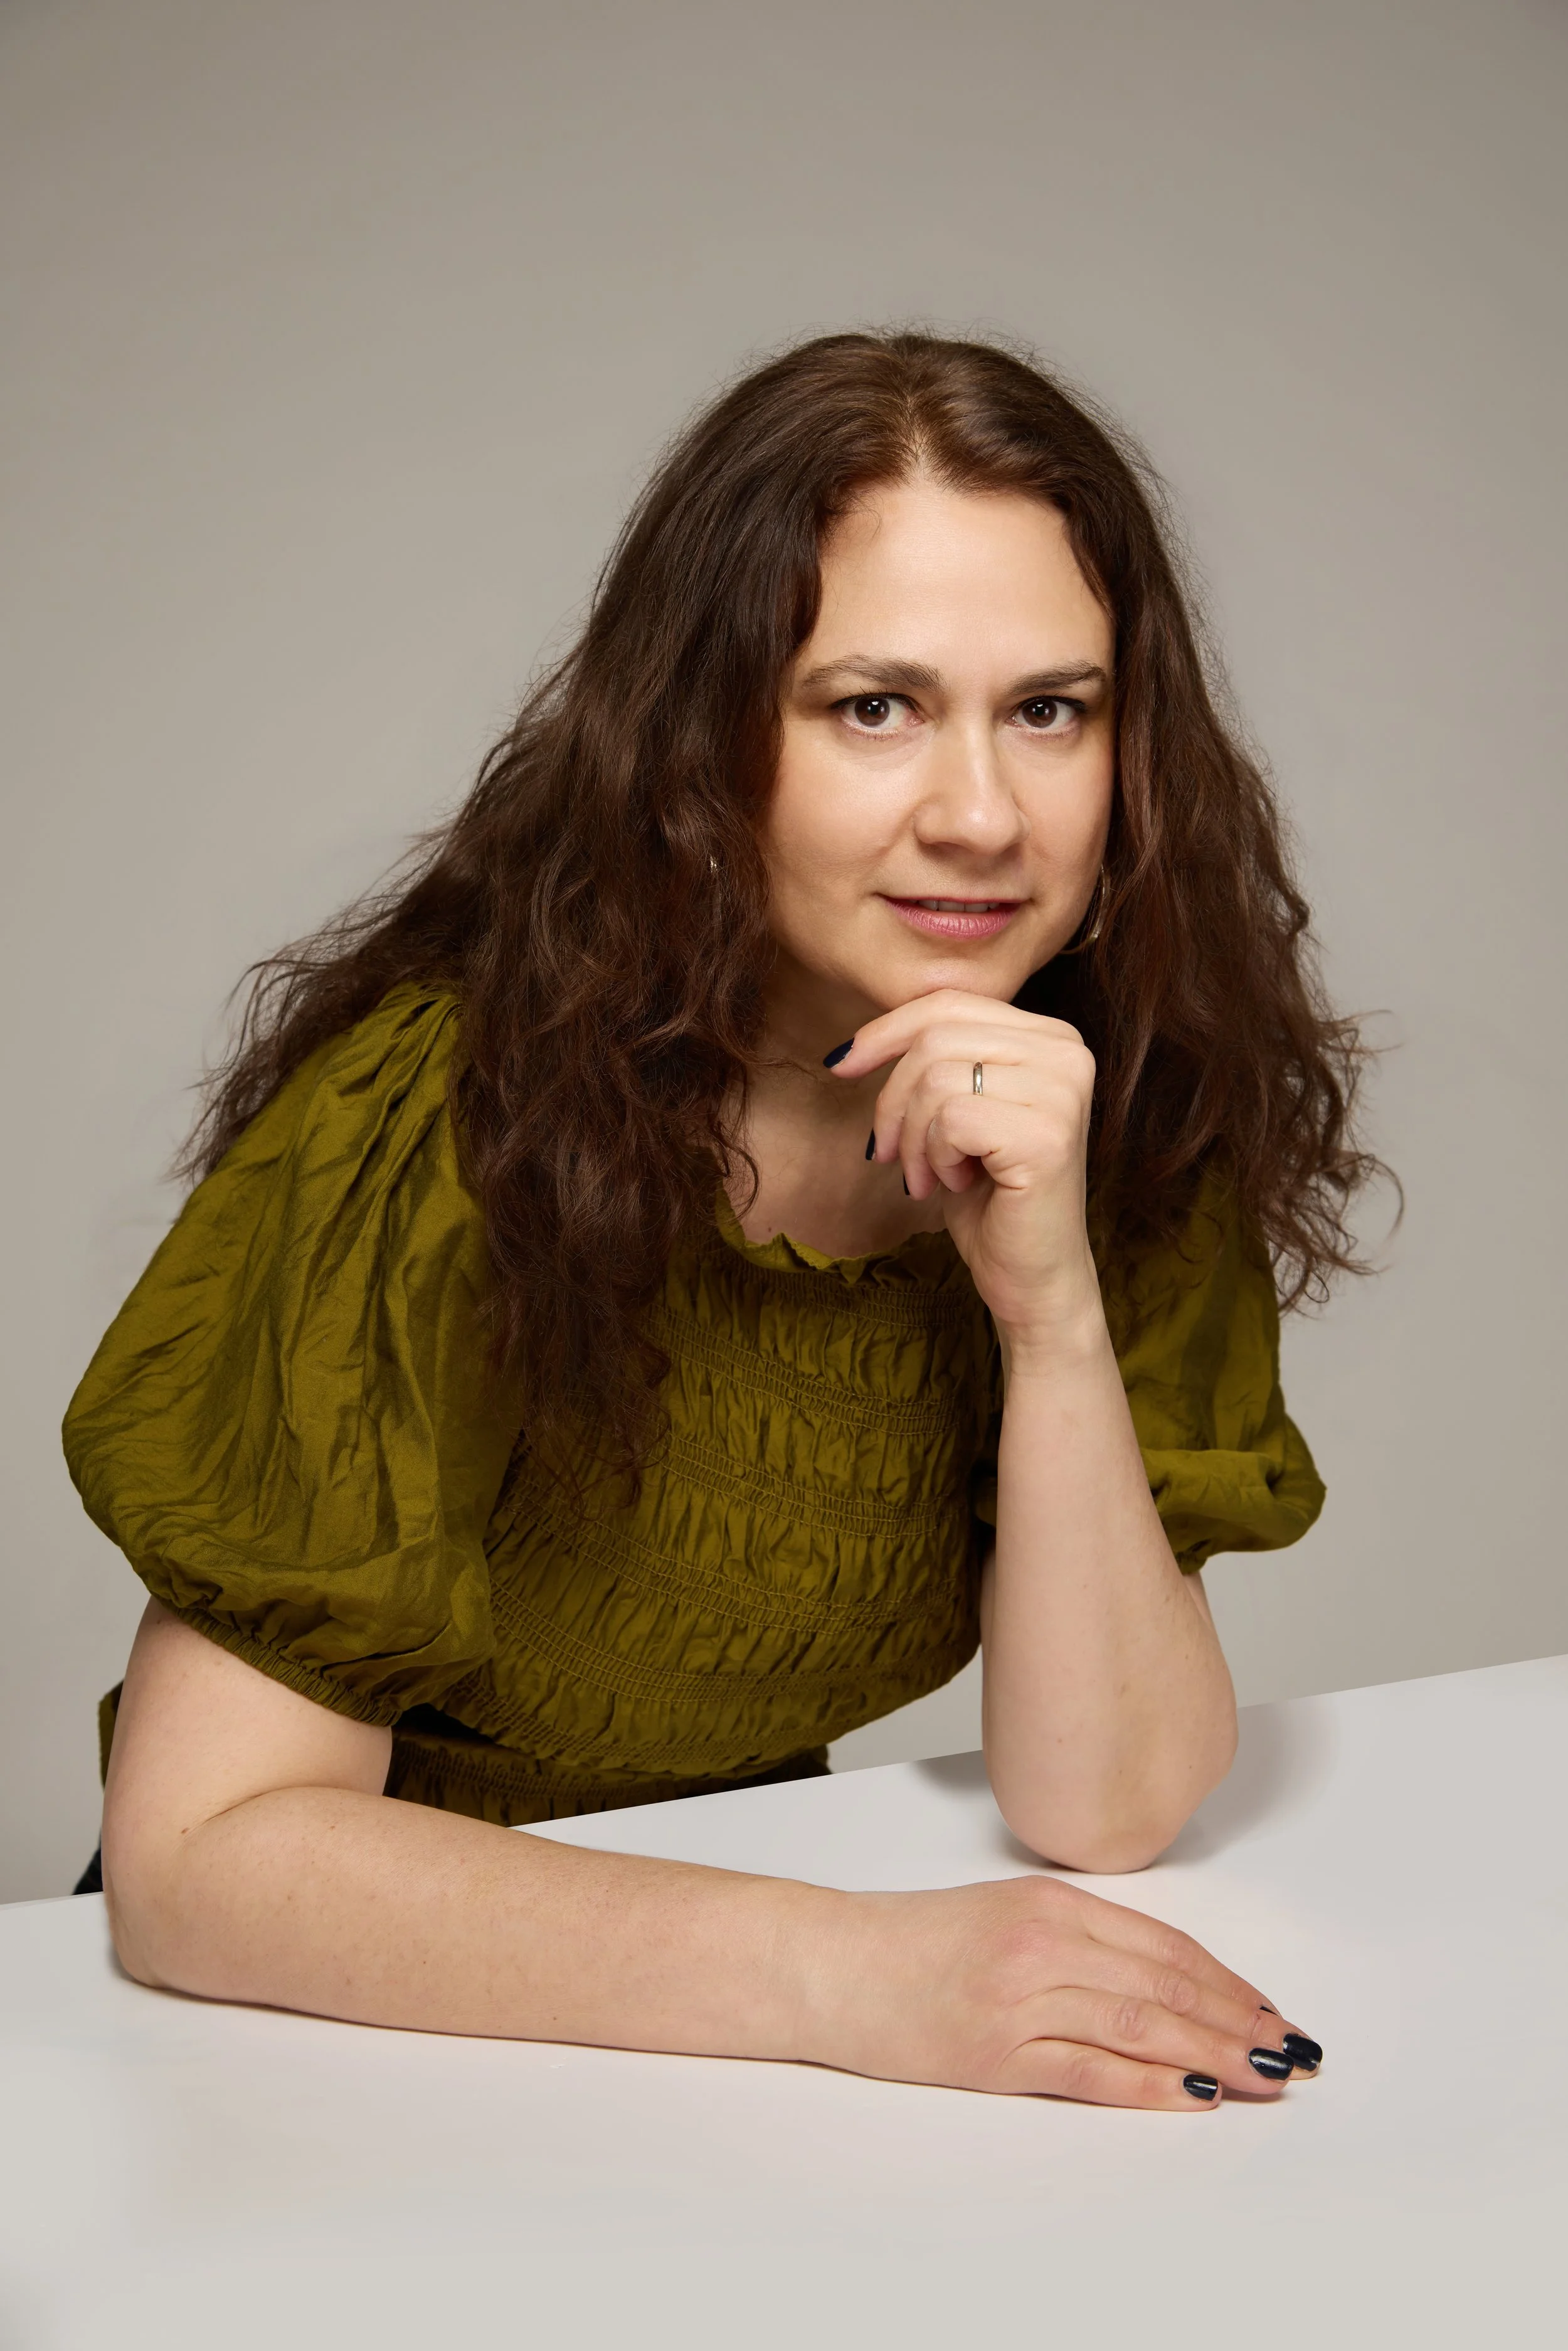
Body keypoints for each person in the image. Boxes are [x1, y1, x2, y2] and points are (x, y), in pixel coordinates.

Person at [63, 331, 1370, 2109]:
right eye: (872, 705)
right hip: (312, 2059)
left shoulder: (1086, 1109)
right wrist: (857, 1972)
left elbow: (1112, 1796)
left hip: (696, 2078)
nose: (980, 814)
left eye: (1049, 708)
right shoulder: (442, 1112)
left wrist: (1047, 1307)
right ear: (701, 743)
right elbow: (200, 1856)